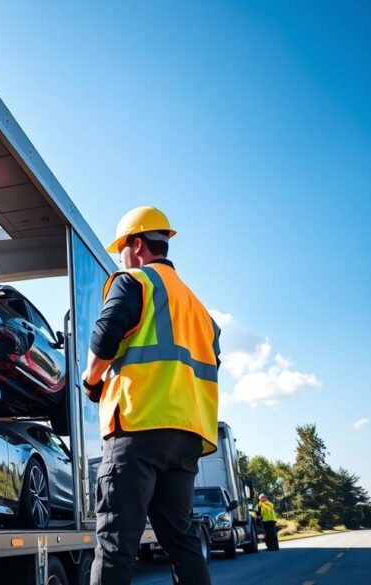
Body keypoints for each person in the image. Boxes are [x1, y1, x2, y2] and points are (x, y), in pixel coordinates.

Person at [83, 206, 220, 585]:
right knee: (183, 543)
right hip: (186, 436)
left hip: (138, 426)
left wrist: (91, 380)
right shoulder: (200, 310)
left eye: (121, 250)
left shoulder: (134, 282)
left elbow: (104, 340)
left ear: (138, 244)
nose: (120, 258)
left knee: (115, 545)